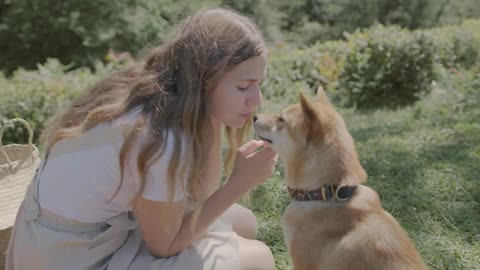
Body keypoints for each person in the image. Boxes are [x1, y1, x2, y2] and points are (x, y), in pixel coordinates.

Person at [5, 7, 277, 270]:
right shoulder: (163, 135)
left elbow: (200, 195)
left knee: (244, 223)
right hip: (70, 256)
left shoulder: (156, 90)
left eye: (258, 84)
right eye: (243, 87)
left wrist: (213, 117)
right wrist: (238, 183)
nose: (256, 100)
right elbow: (166, 245)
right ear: (204, 80)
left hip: (56, 236)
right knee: (259, 259)